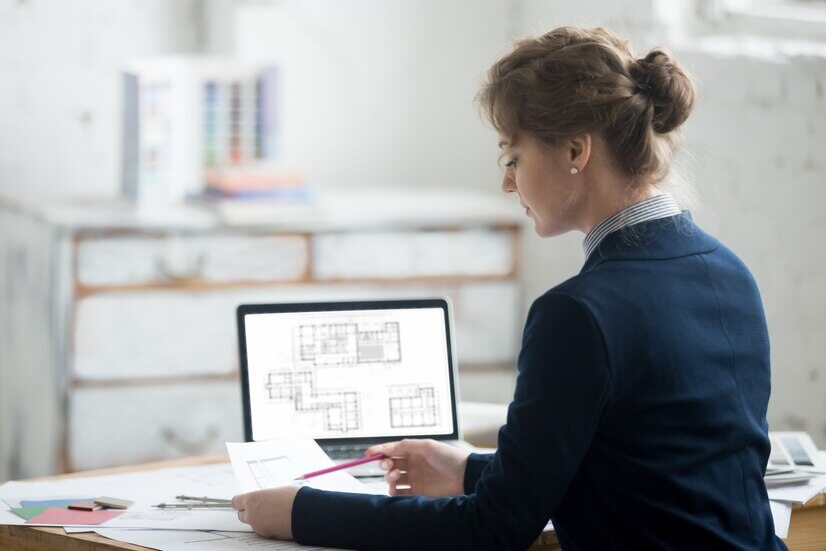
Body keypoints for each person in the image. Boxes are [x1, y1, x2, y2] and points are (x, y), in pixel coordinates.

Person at [231, 26, 786, 550]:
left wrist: (301, 511)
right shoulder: (730, 272)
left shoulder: (577, 315)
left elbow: (492, 530)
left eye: (512, 156)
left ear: (575, 151)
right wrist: (466, 468)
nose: (506, 181)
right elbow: (643, 468)